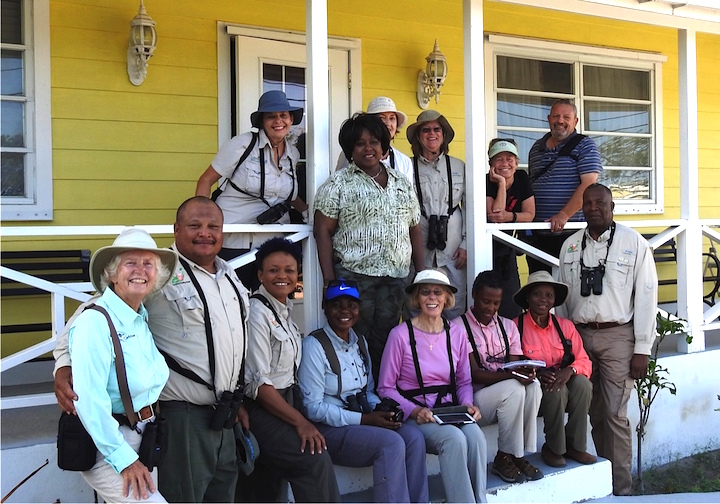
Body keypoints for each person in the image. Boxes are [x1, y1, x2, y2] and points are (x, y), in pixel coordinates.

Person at [55, 196, 252, 503]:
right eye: (194, 225)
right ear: (176, 230)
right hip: (183, 417)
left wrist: (236, 395)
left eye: (213, 226)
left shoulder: (231, 277)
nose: (205, 233)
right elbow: (91, 317)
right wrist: (64, 366)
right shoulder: (156, 278)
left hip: (223, 415)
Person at [557, 183, 658, 495]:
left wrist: (642, 348)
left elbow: (646, 297)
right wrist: (564, 344)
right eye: (588, 203)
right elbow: (561, 298)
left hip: (618, 337)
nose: (593, 208)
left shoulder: (634, 244)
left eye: (600, 203)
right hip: (580, 338)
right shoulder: (571, 246)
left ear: (612, 207)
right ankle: (600, 483)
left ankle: (622, 489)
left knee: (615, 413)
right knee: (593, 412)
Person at [65, 229, 176, 502]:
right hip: (108, 447)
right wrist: (125, 460)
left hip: (143, 438)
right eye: (130, 263)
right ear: (112, 274)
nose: (140, 270)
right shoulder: (94, 322)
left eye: (148, 263)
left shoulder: (139, 318)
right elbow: (89, 400)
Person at [314, 113, 424, 382]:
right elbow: (323, 231)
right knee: (354, 337)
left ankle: (382, 392)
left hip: (396, 278)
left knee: (386, 339)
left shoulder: (401, 183)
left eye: (374, 142)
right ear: (350, 150)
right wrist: (329, 280)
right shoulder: (337, 184)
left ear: (384, 146)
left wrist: (421, 274)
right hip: (354, 277)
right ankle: (356, 392)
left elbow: (414, 228)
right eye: (360, 143)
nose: (368, 148)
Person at [297, 279, 429, 503]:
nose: (345, 311)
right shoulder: (314, 345)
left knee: (414, 437)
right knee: (391, 443)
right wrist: (365, 419)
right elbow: (313, 409)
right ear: (325, 308)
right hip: (329, 430)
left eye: (352, 304)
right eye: (336, 304)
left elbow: (367, 391)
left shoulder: (360, 342)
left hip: (361, 421)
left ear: (359, 308)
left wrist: (382, 411)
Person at [244, 237, 340, 502]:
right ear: (261, 275)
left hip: (287, 402)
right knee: (312, 461)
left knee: (269, 482)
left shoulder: (284, 310)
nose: (282, 276)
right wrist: (302, 423)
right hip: (264, 408)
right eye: (273, 270)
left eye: (289, 270)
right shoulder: (257, 313)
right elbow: (260, 385)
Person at [378, 269, 487, 503]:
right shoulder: (400, 335)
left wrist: (467, 404)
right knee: (453, 439)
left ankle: (480, 499)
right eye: (425, 292)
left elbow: (464, 381)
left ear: (447, 298)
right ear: (416, 298)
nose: (432, 297)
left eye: (438, 292)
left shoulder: (456, 333)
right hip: (417, 415)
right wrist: (414, 411)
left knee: (475, 436)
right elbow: (385, 388)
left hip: (449, 411)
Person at [196, 90, 309, 291]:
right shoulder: (241, 145)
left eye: (283, 115)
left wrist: (309, 214)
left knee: (267, 302)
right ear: (262, 121)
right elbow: (206, 180)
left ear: (291, 119)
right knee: (232, 300)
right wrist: (202, 223)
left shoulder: (293, 153)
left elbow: (289, 196)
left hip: (273, 243)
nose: (278, 121)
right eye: (271, 116)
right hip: (234, 240)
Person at [454, 270, 543, 484]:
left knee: (533, 386)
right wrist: (513, 376)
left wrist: (524, 372)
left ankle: (518, 454)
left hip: (504, 394)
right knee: (513, 387)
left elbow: (513, 364)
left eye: (496, 303)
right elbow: (474, 373)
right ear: (474, 294)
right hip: (476, 400)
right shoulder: (458, 327)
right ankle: (503, 457)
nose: (491, 309)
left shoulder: (508, 326)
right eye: (486, 301)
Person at [514, 270, 595, 470]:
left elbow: (585, 361)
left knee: (583, 384)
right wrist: (537, 374)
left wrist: (569, 371)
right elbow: (513, 364)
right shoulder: (516, 327)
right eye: (537, 294)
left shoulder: (565, 326)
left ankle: (575, 446)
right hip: (534, 389)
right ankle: (554, 448)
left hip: (562, 380)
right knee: (557, 390)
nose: (543, 299)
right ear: (527, 298)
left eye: (549, 295)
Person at [526, 99, 602, 273]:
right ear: (549, 119)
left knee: (572, 288)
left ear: (575, 121)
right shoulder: (536, 148)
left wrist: (563, 215)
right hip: (538, 236)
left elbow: (589, 184)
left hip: (571, 235)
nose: (560, 120)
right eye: (556, 116)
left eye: (566, 117)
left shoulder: (585, 145)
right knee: (540, 289)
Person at [406, 110, 467, 319]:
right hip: (418, 249)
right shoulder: (407, 167)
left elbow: (469, 208)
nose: (431, 134)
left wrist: (466, 245)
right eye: (425, 129)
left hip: (453, 251)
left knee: (455, 306)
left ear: (444, 134)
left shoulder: (459, 166)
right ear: (418, 136)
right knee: (416, 305)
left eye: (436, 129)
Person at [486, 138, 535, 319]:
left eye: (510, 158)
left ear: (517, 162)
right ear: (491, 163)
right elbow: (496, 215)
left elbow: (529, 215)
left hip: (508, 248)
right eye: (499, 159)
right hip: (486, 248)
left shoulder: (522, 178)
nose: (505, 163)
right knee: (486, 300)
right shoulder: (485, 181)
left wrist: (511, 217)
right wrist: (500, 184)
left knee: (511, 303)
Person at [335, 96, 414, 186]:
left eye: (392, 118)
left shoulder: (404, 161)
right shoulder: (352, 154)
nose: (388, 123)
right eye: (381, 118)